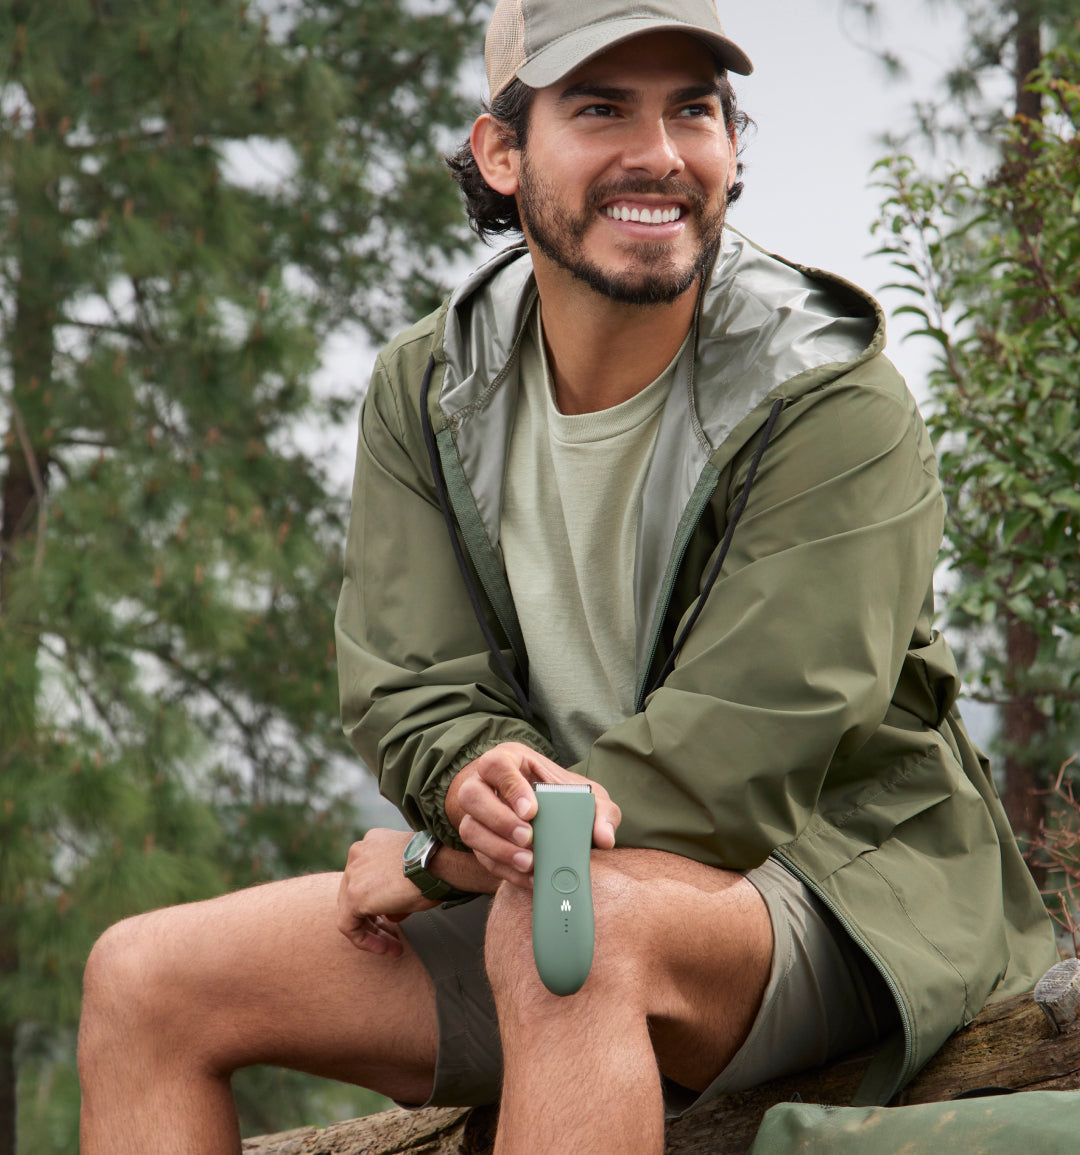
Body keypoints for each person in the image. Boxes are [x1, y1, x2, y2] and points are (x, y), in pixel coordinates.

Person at [78, 3, 1058, 1153]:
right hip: (563, 880)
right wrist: (469, 775)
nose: (659, 151)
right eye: (601, 109)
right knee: (143, 977)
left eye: (693, 109)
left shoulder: (830, 394)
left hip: (853, 894)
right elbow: (411, 681)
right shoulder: (429, 385)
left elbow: (745, 752)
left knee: (567, 932)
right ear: (502, 152)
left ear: (731, 146)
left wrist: (434, 856)